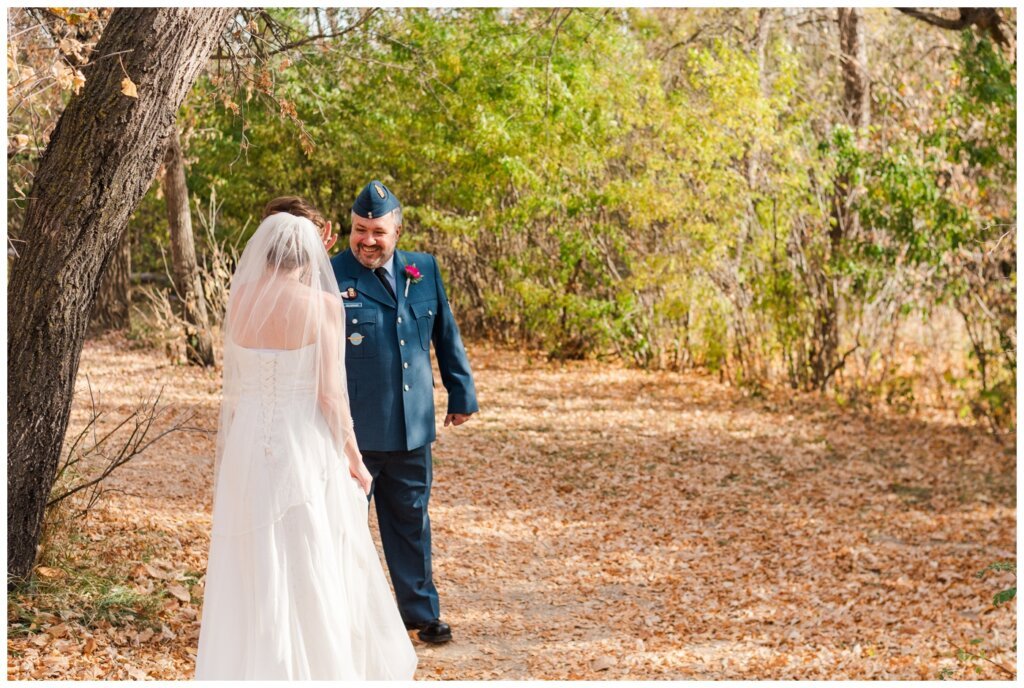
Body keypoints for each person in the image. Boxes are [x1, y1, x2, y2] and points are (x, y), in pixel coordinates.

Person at [195, 207, 417, 680]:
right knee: (310, 550)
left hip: (248, 441)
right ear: (310, 254)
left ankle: (255, 664)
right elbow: (330, 395)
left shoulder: (241, 300)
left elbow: (235, 385)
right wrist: (354, 459)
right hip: (302, 441)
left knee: (253, 555)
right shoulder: (323, 304)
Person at [330, 180, 478, 644]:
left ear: (396, 231)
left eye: (377, 232)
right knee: (345, 527)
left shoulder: (424, 269)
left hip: (414, 426)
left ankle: (420, 614)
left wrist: (461, 392)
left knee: (411, 519)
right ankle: (348, 620)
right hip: (353, 432)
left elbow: (444, 334)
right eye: (359, 230)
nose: (367, 241)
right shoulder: (330, 275)